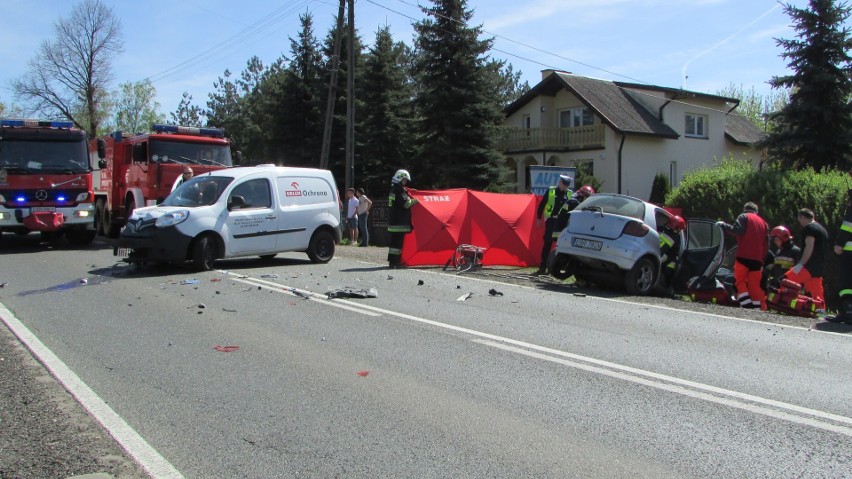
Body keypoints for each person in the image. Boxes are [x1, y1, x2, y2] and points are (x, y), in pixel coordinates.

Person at [719, 202, 769, 309]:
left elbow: (737, 231)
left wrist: (723, 225)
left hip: (743, 256)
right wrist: (762, 260)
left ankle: (746, 306)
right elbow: (766, 244)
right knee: (754, 285)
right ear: (756, 211)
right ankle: (759, 307)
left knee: (740, 281)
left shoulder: (743, 217)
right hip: (757, 259)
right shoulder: (764, 223)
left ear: (745, 209)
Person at [785, 208, 828, 302]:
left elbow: (809, 246)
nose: (800, 223)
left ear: (802, 217)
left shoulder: (809, 228)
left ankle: (784, 302)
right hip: (818, 267)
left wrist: (801, 264)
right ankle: (820, 311)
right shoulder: (822, 230)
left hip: (808, 266)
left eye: (800, 220)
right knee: (817, 295)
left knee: (784, 281)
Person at [534, 174, 573, 275]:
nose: (565, 187)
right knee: (547, 243)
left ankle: (558, 267)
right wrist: (539, 218)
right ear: (559, 182)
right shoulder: (551, 191)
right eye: (563, 184)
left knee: (561, 245)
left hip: (562, 223)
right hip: (551, 221)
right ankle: (542, 266)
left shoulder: (569, 194)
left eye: (566, 185)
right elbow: (542, 205)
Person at [828, 187, 852, 323]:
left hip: (848, 253)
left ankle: (847, 312)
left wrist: (839, 243)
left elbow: (848, 227)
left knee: (846, 283)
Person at [387, 169, 418, 268]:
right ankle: (395, 262)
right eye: (404, 180)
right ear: (400, 179)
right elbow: (406, 204)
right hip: (399, 222)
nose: (405, 182)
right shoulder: (399, 190)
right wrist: (414, 201)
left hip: (394, 221)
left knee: (394, 244)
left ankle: (392, 261)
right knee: (397, 244)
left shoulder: (394, 189)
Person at [659, 215, 685, 293]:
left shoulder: (661, 230)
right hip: (665, 257)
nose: (680, 231)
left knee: (668, 271)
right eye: (679, 229)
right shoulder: (674, 237)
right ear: (675, 226)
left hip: (665, 257)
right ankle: (666, 287)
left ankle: (665, 286)